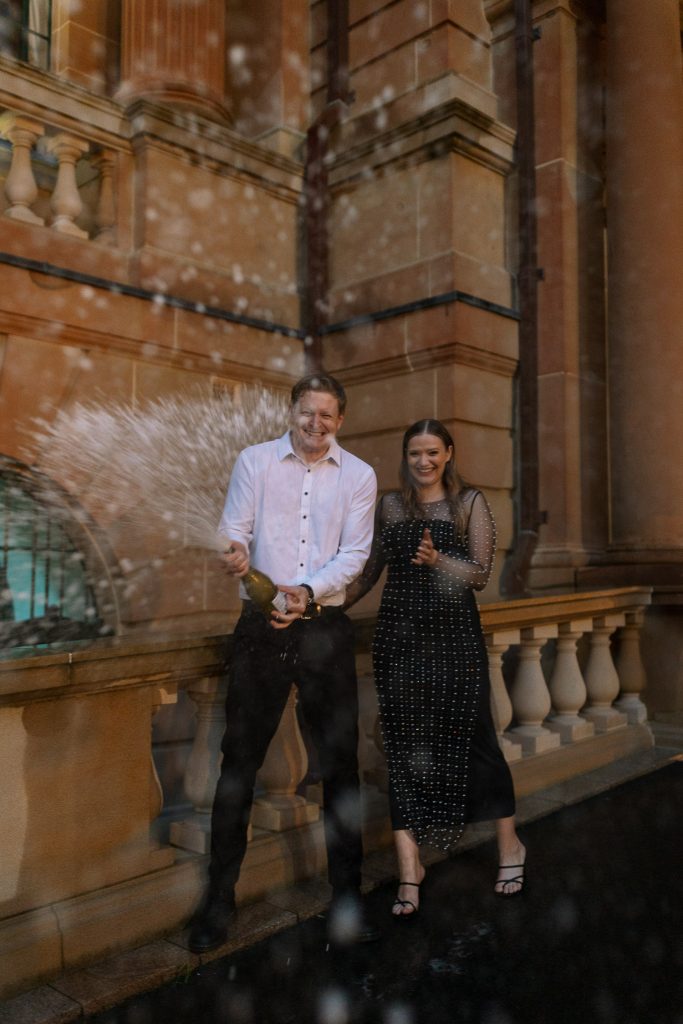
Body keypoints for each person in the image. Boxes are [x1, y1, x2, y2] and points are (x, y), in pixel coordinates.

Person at [188, 373, 380, 953]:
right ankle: (218, 903)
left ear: (340, 419)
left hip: (323, 627)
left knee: (341, 768)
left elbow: (355, 553)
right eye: (306, 414)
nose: (315, 425)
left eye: (326, 416)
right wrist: (236, 552)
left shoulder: (361, 476)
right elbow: (233, 528)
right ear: (291, 412)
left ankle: (347, 896)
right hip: (260, 630)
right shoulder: (255, 462)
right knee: (238, 764)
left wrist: (305, 593)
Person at [344, 419, 526, 918]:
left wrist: (437, 559)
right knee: (402, 746)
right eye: (413, 453)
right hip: (398, 642)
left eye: (431, 452)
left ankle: (510, 846)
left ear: (448, 453)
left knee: (477, 741)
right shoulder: (391, 506)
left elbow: (481, 576)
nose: (422, 462)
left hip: (454, 641)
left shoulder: (470, 504)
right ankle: (410, 869)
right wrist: (317, 601)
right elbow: (367, 574)